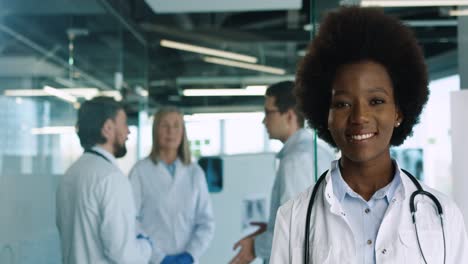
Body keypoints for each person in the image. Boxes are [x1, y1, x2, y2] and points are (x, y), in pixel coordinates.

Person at [270, 6, 468, 264]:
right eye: (342, 104)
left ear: (398, 112)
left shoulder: (441, 214)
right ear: (325, 115)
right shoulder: (294, 217)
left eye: (376, 101)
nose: (359, 117)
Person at [230, 81, 334, 264]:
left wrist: (254, 245)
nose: (264, 121)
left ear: (289, 116)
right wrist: (269, 229)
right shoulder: (318, 152)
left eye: (268, 113)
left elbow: (294, 233)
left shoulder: (295, 161)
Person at [56, 96, 152, 263]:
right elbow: (123, 255)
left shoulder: (70, 174)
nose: (128, 131)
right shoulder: (112, 178)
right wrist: (146, 246)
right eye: (123, 124)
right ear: (107, 128)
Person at [129, 106, 215, 264]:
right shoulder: (140, 171)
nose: (171, 132)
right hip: (151, 260)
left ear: (183, 132)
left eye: (176, 126)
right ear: (155, 130)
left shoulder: (195, 173)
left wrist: (190, 255)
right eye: (165, 125)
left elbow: (206, 223)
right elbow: (132, 220)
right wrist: (158, 258)